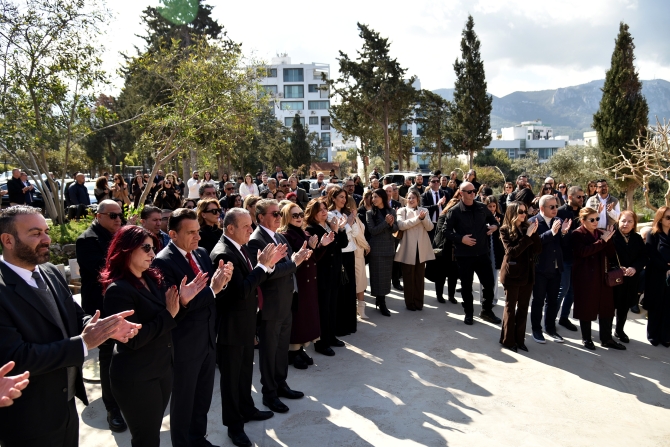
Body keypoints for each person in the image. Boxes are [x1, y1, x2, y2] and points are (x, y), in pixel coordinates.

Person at [0, 205, 139, 447]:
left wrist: (107, 328)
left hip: (66, 406)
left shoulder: (51, 272)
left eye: (46, 231)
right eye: (35, 233)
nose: (46, 239)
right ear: (7, 240)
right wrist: (85, 343)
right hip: (27, 418)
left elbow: (75, 319)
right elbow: (16, 357)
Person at [101, 225, 208, 447]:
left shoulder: (152, 279)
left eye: (154, 248)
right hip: (136, 378)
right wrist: (170, 313)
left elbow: (170, 321)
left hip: (161, 370)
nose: (152, 253)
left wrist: (183, 304)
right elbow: (134, 339)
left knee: (153, 433)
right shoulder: (118, 290)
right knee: (146, 439)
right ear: (127, 250)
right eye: (146, 248)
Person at [151, 208, 232, 447]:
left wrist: (222, 283)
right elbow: (177, 304)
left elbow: (211, 291)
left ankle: (198, 438)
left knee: (203, 395)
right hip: (184, 341)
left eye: (198, 231)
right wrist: (214, 290)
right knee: (184, 400)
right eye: (191, 232)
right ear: (173, 234)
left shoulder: (202, 253)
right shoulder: (162, 262)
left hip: (208, 336)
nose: (198, 237)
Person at [210, 208, 285, 447]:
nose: (250, 230)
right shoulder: (224, 253)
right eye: (245, 226)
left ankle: (247, 408)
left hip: (244, 324)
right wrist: (263, 267)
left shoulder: (239, 248)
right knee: (231, 380)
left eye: (251, 225)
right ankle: (234, 426)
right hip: (231, 329)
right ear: (230, 228)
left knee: (244, 373)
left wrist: (266, 265)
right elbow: (240, 291)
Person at [247, 199, 311, 415]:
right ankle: (269, 393)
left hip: (286, 300)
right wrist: (293, 263)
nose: (277, 217)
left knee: (282, 348)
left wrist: (295, 261)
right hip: (271, 305)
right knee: (269, 351)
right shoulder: (256, 240)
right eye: (274, 214)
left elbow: (288, 263)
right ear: (261, 217)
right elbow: (270, 271)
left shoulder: (280, 236)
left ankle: (281, 384)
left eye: (278, 213)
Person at [75, 199, 127, 432]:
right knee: (107, 356)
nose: (118, 219)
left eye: (120, 215)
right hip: (101, 306)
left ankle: (125, 396)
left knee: (125, 353)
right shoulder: (87, 240)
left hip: (124, 302)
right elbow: (104, 271)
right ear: (99, 216)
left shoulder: (120, 234)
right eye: (113, 215)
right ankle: (111, 408)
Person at [279, 204, 334, 369]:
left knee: (307, 316)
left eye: (300, 214)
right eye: (294, 215)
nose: (298, 217)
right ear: (286, 217)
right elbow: (293, 260)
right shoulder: (284, 235)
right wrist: (311, 246)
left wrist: (322, 245)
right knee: (298, 317)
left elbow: (314, 257)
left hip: (310, 280)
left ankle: (301, 349)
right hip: (298, 281)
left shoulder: (305, 233)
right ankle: (292, 352)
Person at [445, 182, 502, 325]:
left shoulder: (482, 208)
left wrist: (494, 226)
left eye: (474, 191)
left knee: (489, 284)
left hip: (482, 254)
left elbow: (494, 221)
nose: (472, 194)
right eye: (469, 191)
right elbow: (446, 231)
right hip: (464, 256)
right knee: (466, 287)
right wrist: (461, 239)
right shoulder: (455, 211)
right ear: (461, 193)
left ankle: (486, 311)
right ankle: (469, 313)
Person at [571, 207, 625, 350]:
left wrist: (608, 239)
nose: (596, 222)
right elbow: (583, 252)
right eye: (592, 219)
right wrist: (602, 241)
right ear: (583, 221)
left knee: (607, 307)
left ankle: (607, 339)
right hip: (585, 277)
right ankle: (587, 339)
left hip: (603, 276)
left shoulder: (602, 233)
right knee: (586, 307)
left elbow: (612, 254)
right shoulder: (577, 234)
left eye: (597, 219)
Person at [304, 199, 349, 355]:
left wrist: (340, 229)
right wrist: (334, 232)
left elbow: (343, 244)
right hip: (322, 274)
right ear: (312, 212)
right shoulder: (311, 229)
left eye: (325, 208)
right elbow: (322, 252)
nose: (324, 211)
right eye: (319, 209)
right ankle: (321, 342)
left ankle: (331, 336)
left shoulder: (329, 225)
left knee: (332, 307)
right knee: (323, 309)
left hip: (335, 272)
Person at [527, 195, 572, 344]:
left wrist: (564, 233)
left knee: (552, 301)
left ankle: (550, 328)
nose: (555, 209)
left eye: (556, 206)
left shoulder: (558, 221)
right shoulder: (533, 222)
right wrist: (551, 232)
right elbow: (534, 245)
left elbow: (563, 246)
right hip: (540, 268)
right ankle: (536, 329)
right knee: (538, 300)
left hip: (556, 268)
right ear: (541, 208)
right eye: (551, 207)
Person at [498, 201, 542, 352]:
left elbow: (538, 249)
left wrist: (534, 232)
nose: (524, 215)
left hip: (528, 275)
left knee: (523, 308)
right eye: (521, 212)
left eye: (525, 212)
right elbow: (512, 252)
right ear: (512, 213)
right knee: (510, 308)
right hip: (512, 275)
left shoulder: (526, 228)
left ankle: (519, 339)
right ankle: (508, 340)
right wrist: (527, 236)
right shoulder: (504, 230)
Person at [610, 211, 647, 343]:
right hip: (614, 277)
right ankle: (607, 332)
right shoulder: (611, 236)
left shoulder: (637, 238)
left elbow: (643, 257)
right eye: (623, 221)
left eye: (630, 221)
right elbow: (605, 257)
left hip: (631, 278)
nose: (626, 224)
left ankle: (619, 330)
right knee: (610, 306)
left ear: (634, 224)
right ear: (618, 221)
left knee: (624, 307)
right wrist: (617, 268)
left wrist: (634, 268)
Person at [395, 190, 435, 311]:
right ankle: (410, 303)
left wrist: (423, 219)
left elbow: (430, 227)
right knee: (408, 277)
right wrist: (418, 218)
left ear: (418, 199)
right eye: (409, 198)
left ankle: (419, 302)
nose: (411, 200)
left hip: (421, 248)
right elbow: (401, 225)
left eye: (413, 198)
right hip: (408, 248)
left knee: (419, 276)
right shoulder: (402, 210)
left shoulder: (424, 210)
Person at [327, 187, 359, 336]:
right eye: (340, 197)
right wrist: (348, 225)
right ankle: (340, 326)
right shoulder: (329, 214)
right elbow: (338, 232)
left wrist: (349, 224)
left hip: (350, 252)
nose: (343, 199)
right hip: (340, 254)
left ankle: (349, 324)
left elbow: (356, 232)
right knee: (341, 288)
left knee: (350, 288)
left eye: (344, 197)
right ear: (333, 198)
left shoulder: (347, 213)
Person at [556, 186, 585, 331]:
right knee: (563, 289)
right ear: (570, 197)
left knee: (573, 290)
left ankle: (564, 318)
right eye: (579, 197)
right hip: (564, 256)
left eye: (583, 197)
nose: (582, 199)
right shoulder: (560, 212)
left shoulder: (583, 212)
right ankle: (550, 319)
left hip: (579, 257)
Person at [366, 188, 399, 317]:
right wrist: (386, 223)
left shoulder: (391, 211)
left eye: (376, 197)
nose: (373, 199)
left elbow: (396, 228)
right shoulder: (370, 213)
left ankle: (381, 299)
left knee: (385, 277)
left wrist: (391, 224)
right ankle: (381, 301)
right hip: (376, 249)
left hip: (388, 248)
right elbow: (373, 231)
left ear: (382, 197)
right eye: (372, 197)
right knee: (377, 276)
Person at [427, 192, 461, 304]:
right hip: (443, 249)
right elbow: (442, 231)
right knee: (440, 275)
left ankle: (451, 296)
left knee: (453, 275)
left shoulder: (461, 218)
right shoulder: (443, 216)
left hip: (455, 250)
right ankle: (439, 295)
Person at [644, 206, 670, 347]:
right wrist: (666, 267)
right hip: (656, 275)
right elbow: (651, 254)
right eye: (668, 217)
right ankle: (653, 335)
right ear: (660, 219)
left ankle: (665, 336)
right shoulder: (652, 234)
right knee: (656, 306)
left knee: (668, 307)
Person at [481, 196, 504, 306]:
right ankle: (483, 299)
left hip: (496, 250)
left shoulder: (501, 217)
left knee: (495, 275)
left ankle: (494, 299)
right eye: (489, 206)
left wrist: (498, 226)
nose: (492, 208)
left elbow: (505, 233)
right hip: (484, 249)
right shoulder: (481, 217)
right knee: (484, 275)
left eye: (494, 206)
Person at [422, 175, 448, 242]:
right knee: (431, 243)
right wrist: (437, 205)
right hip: (430, 223)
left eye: (437, 181)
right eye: (433, 181)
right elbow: (423, 208)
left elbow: (449, 207)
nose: (436, 183)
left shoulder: (445, 194)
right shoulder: (425, 195)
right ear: (429, 183)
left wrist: (443, 204)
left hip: (442, 223)